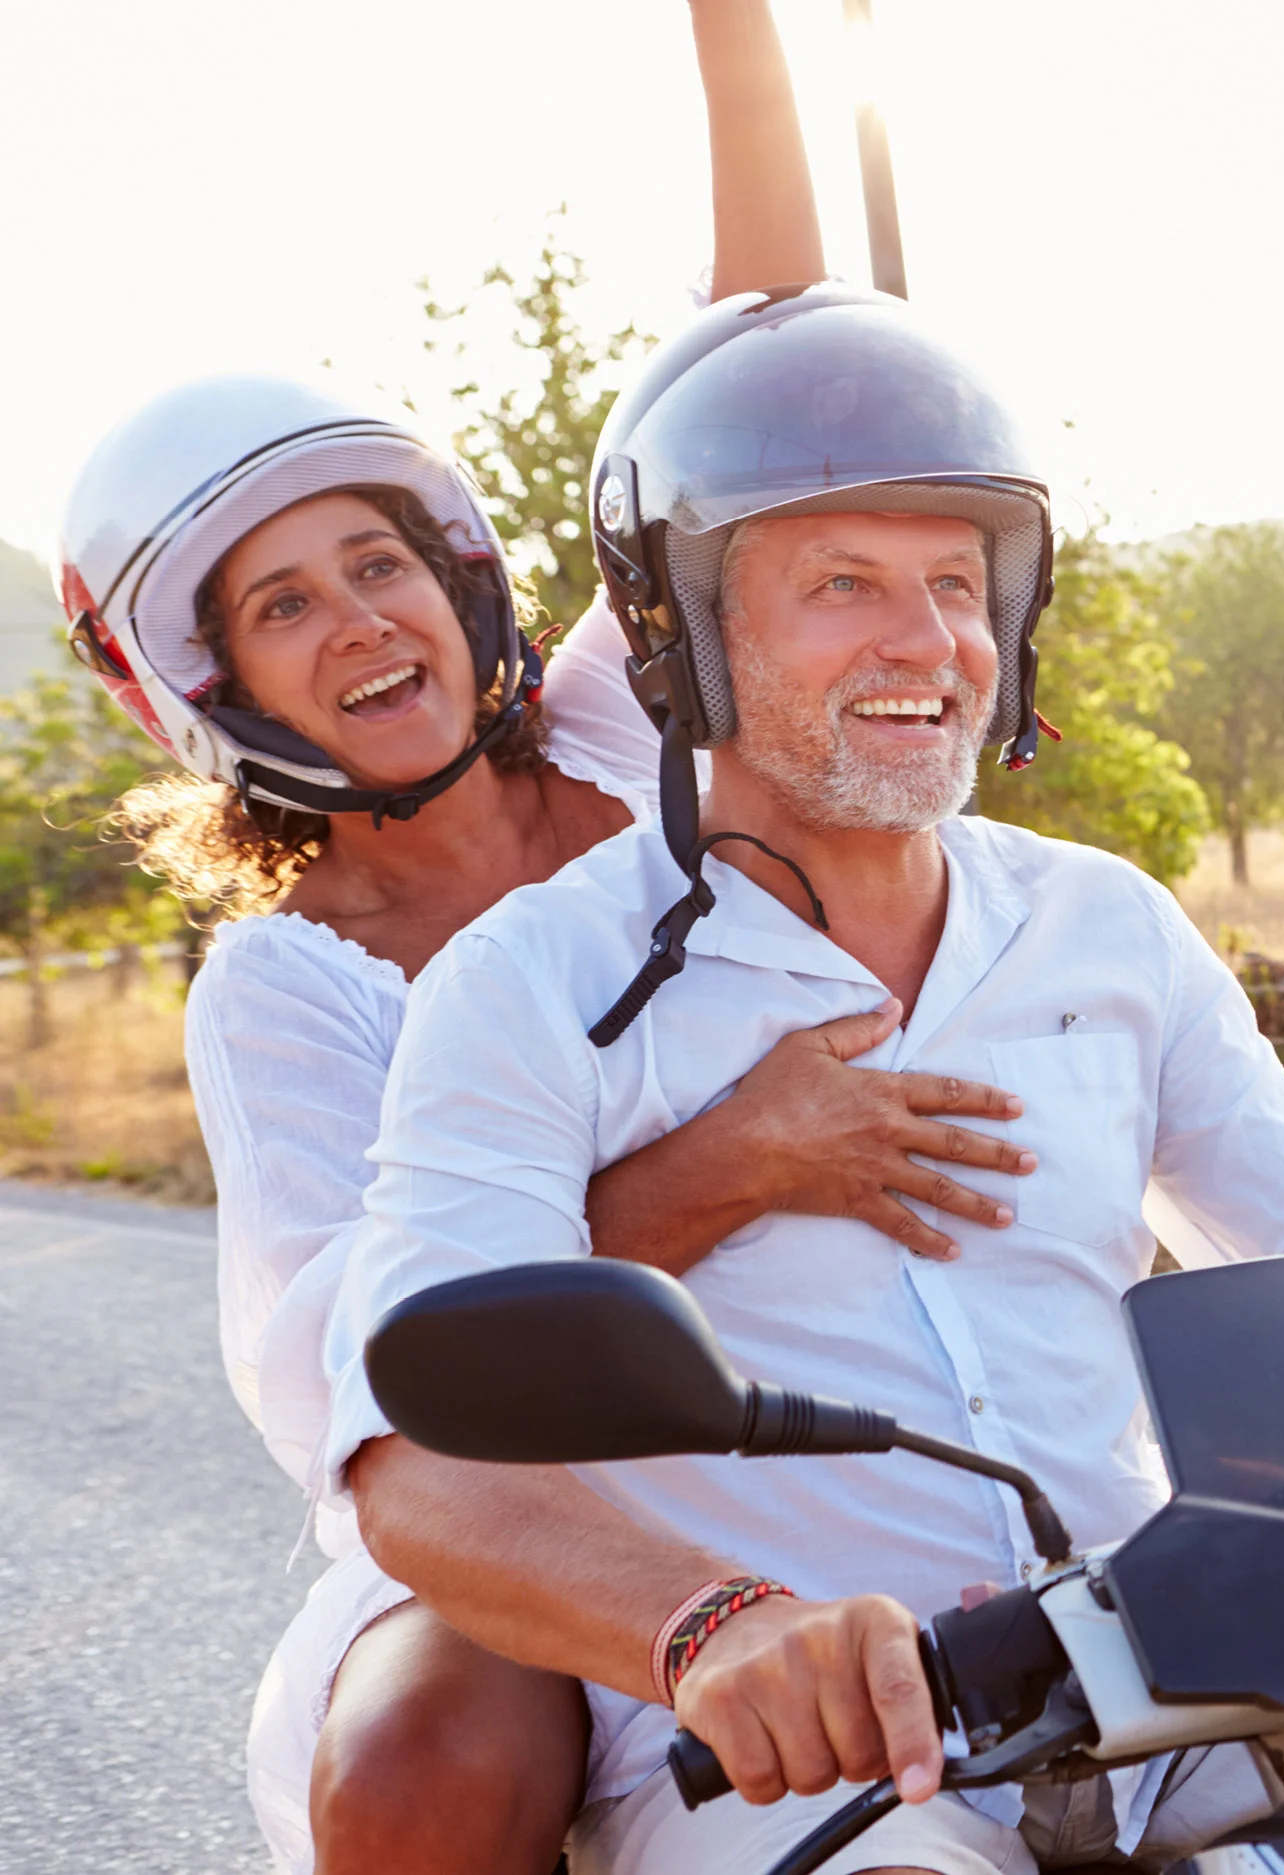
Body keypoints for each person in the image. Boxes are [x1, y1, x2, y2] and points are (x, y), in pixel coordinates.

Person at [316, 283, 1284, 1874]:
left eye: (958, 584)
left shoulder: (1101, 925)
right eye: (844, 584)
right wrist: (711, 1625)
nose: (927, 642)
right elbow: (418, 1465)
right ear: (686, 637)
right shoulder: (532, 985)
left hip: (1164, 1683)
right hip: (804, 1771)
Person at [53, 9, 1037, 1871]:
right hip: (514, 1498)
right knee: (431, 1753)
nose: (359, 622)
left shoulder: (621, 719)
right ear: (218, 685)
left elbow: (761, 337)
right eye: (283, 605)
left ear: (460, 579)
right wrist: (729, 1163)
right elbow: (380, 1369)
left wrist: (733, 31)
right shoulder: (289, 983)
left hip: (811, 1391)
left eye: (380, 563)